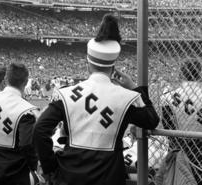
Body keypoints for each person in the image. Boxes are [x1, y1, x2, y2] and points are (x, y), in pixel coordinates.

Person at [33, 37, 160, 185]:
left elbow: (40, 129)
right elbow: (152, 120)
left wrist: (51, 167)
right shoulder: (126, 97)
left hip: (69, 175)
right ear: (113, 69)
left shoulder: (66, 94)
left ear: (88, 66)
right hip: (110, 176)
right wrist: (134, 87)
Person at [161, 59, 202, 185]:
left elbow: (167, 123)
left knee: (177, 178)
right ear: (200, 74)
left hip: (177, 143)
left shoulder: (168, 95)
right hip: (199, 144)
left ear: (181, 74)